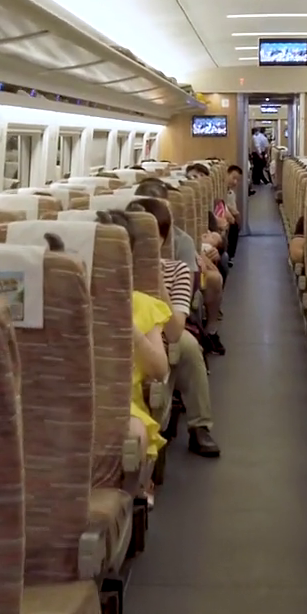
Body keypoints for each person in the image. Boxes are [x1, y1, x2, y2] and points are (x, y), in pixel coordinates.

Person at [132, 197, 220, 457]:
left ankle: (199, 425)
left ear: (161, 239)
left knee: (187, 345)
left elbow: (174, 330)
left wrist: (156, 280)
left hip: (162, 333)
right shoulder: (106, 270)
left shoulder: (177, 270)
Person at [128, 285, 172, 504]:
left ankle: (132, 498)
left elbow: (159, 369)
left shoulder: (139, 304)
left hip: (122, 403)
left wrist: (130, 328)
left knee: (134, 433)